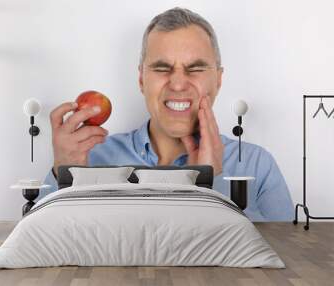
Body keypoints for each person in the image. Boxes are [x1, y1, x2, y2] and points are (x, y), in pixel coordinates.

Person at [41, 7, 294, 221]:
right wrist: (64, 174)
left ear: (218, 80)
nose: (178, 84)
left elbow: (282, 260)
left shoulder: (256, 166)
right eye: (162, 68)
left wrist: (210, 180)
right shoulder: (90, 157)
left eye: (195, 68)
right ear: (142, 79)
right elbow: (43, 245)